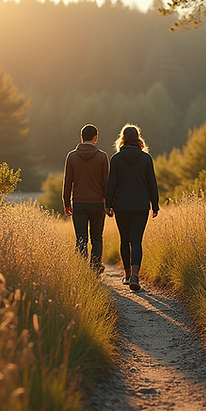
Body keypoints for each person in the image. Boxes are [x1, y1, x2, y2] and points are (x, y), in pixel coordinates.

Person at [105, 124, 159, 291]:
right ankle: (135, 275)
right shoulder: (146, 159)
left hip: (122, 205)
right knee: (136, 241)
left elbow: (111, 184)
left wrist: (108, 204)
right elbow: (151, 183)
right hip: (141, 205)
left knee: (124, 240)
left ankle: (127, 276)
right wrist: (155, 204)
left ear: (123, 138)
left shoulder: (116, 159)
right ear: (137, 138)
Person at [62, 124, 110, 273]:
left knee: (81, 238)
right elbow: (106, 183)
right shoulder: (102, 157)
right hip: (98, 204)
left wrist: (66, 202)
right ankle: (95, 268)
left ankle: (82, 270)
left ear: (81, 138)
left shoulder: (72, 156)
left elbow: (68, 181)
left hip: (79, 204)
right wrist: (108, 203)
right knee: (97, 237)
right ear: (96, 138)